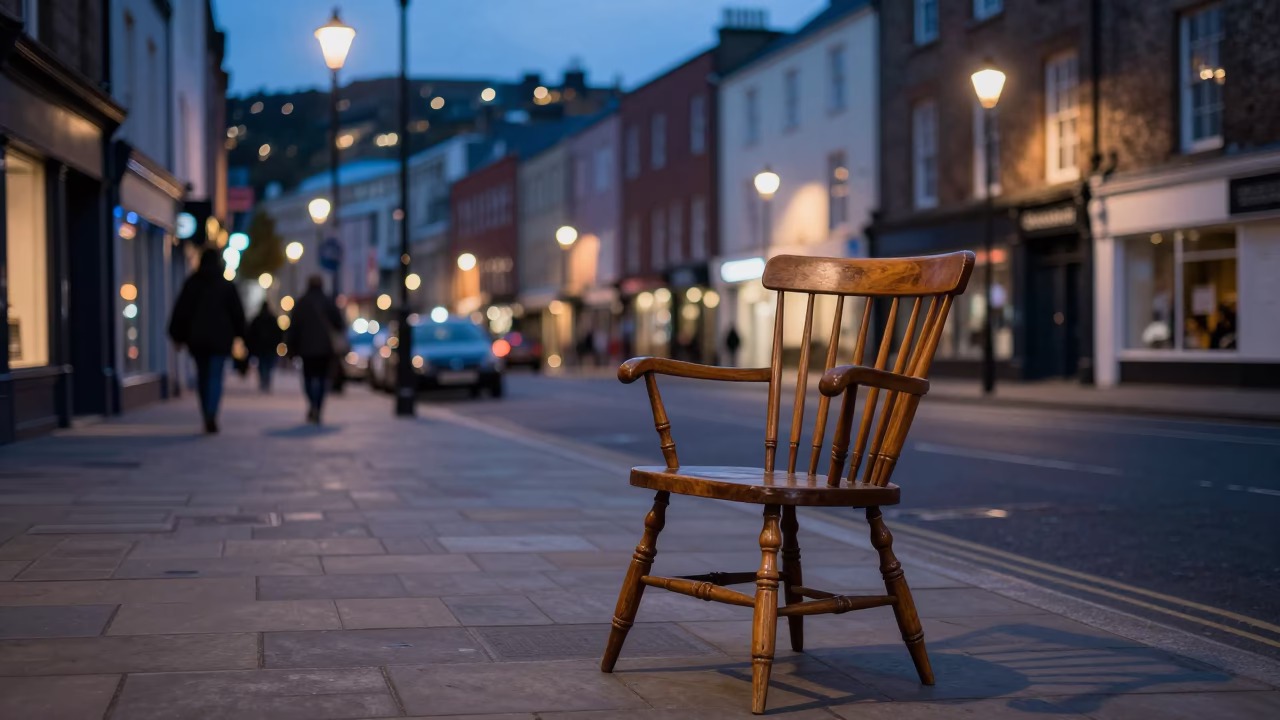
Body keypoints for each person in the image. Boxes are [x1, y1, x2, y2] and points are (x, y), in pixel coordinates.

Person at [168, 248, 246, 433]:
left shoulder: (192, 284)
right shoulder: (226, 285)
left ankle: (206, 412)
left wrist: (177, 335)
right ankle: (211, 413)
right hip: (220, 340)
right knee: (215, 377)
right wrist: (241, 336)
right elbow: (238, 314)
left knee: (203, 376)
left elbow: (181, 312)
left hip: (198, 340)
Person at [286, 275, 344, 424]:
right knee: (323, 378)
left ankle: (312, 403)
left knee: (308, 378)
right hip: (325, 349)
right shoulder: (328, 302)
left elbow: (293, 328)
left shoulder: (301, 302)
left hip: (306, 349)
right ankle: (317, 405)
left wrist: (290, 348)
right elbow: (339, 323)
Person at [247, 301, 284, 392]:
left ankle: (264, 381)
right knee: (269, 365)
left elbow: (251, 333)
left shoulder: (257, 319)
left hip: (260, 347)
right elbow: (279, 333)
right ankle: (266, 381)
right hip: (270, 347)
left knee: (262, 365)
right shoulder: (272, 319)